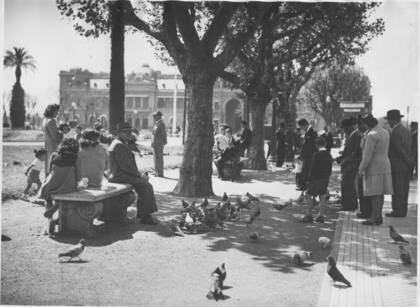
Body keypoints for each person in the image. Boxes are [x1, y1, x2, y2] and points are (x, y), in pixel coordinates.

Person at [108, 122, 158, 225]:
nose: (129, 134)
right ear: (119, 133)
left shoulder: (119, 143)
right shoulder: (119, 145)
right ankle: (145, 216)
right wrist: (140, 175)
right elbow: (126, 167)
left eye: (130, 131)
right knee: (146, 186)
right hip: (119, 176)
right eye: (126, 132)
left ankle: (143, 214)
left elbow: (127, 166)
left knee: (144, 184)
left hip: (119, 174)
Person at [38, 138, 79, 234]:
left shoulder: (54, 155)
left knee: (48, 196)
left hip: (53, 184)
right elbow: (78, 174)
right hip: (68, 186)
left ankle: (50, 219)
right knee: (65, 194)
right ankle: (58, 205)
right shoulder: (76, 157)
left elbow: (48, 172)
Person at [358, 114, 393, 225]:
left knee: (374, 194)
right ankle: (378, 216)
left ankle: (375, 217)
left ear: (366, 123)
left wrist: (361, 168)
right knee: (380, 193)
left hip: (374, 167)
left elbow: (367, 155)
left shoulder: (371, 135)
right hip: (385, 164)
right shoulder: (385, 132)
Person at [385, 109, 413, 217]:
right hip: (406, 166)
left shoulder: (395, 132)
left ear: (392, 120)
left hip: (397, 165)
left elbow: (399, 150)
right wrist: (410, 162)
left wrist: (406, 161)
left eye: (389, 120)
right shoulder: (406, 131)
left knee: (397, 189)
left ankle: (397, 211)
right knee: (404, 188)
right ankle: (403, 210)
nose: (388, 123)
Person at [300, 136, 333, 223]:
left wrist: (309, 180)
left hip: (316, 179)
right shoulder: (329, 155)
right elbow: (330, 169)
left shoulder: (316, 155)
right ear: (325, 144)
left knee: (308, 195)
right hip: (325, 178)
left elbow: (313, 169)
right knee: (322, 196)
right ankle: (321, 215)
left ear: (316, 145)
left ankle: (309, 215)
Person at [335, 118, 361, 211]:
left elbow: (354, 153)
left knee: (347, 185)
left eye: (344, 128)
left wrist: (344, 160)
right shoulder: (352, 135)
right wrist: (340, 158)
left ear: (349, 127)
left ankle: (348, 205)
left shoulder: (355, 135)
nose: (343, 130)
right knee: (349, 186)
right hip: (349, 164)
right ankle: (351, 204)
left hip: (351, 165)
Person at [42, 104, 63, 176]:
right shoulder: (51, 121)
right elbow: (55, 137)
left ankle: (47, 180)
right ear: (52, 111)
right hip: (52, 146)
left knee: (47, 164)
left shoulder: (45, 120)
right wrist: (62, 132)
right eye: (57, 111)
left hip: (47, 144)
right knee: (52, 164)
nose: (58, 113)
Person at [297, 118, 318, 191]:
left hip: (310, 156)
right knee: (305, 171)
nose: (301, 129)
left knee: (307, 172)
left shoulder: (311, 132)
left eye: (301, 127)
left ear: (305, 125)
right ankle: (304, 187)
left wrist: (303, 155)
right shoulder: (308, 131)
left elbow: (310, 146)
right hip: (307, 156)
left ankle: (306, 188)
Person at [151, 111, 167, 177]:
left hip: (159, 144)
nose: (154, 117)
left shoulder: (161, 124)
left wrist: (164, 143)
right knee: (155, 158)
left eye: (155, 116)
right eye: (153, 116)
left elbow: (164, 134)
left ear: (159, 116)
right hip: (155, 144)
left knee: (159, 159)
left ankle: (160, 173)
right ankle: (156, 172)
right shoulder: (156, 123)